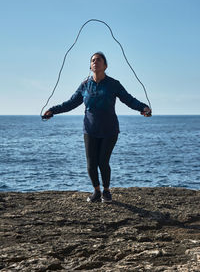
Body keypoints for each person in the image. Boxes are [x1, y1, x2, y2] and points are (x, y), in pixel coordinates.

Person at [43, 52, 151, 203]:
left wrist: (143, 108)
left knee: (103, 161)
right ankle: (96, 191)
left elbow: (129, 99)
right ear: (90, 66)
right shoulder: (85, 85)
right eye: (93, 60)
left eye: (99, 60)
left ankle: (107, 192)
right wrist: (52, 110)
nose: (95, 62)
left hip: (109, 130)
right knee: (91, 163)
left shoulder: (114, 84)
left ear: (105, 65)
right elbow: (70, 103)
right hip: (90, 130)